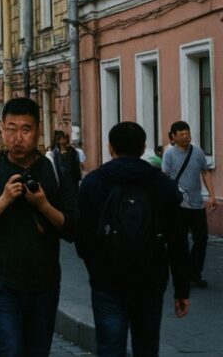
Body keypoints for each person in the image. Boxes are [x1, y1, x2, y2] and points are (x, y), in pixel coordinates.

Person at [0, 98, 79, 357]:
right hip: (2, 283)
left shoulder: (57, 172)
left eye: (25, 130)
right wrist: (3, 200)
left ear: (38, 130)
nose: (17, 138)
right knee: (10, 350)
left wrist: (43, 205)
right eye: (11, 128)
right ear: (2, 129)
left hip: (44, 285)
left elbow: (73, 229)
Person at [75, 122, 190, 356]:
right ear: (143, 148)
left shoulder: (94, 183)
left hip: (107, 280)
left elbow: (82, 236)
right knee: (147, 347)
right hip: (150, 279)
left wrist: (95, 269)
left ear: (110, 148)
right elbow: (178, 241)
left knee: (109, 348)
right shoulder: (162, 185)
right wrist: (182, 289)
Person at [161, 120, 218, 288]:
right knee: (180, 242)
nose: (186, 137)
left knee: (201, 239)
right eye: (182, 134)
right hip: (177, 206)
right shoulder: (169, 154)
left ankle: (195, 273)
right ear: (173, 136)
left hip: (197, 204)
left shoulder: (198, 151)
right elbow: (165, 177)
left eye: (187, 133)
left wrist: (212, 196)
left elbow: (205, 173)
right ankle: (183, 274)